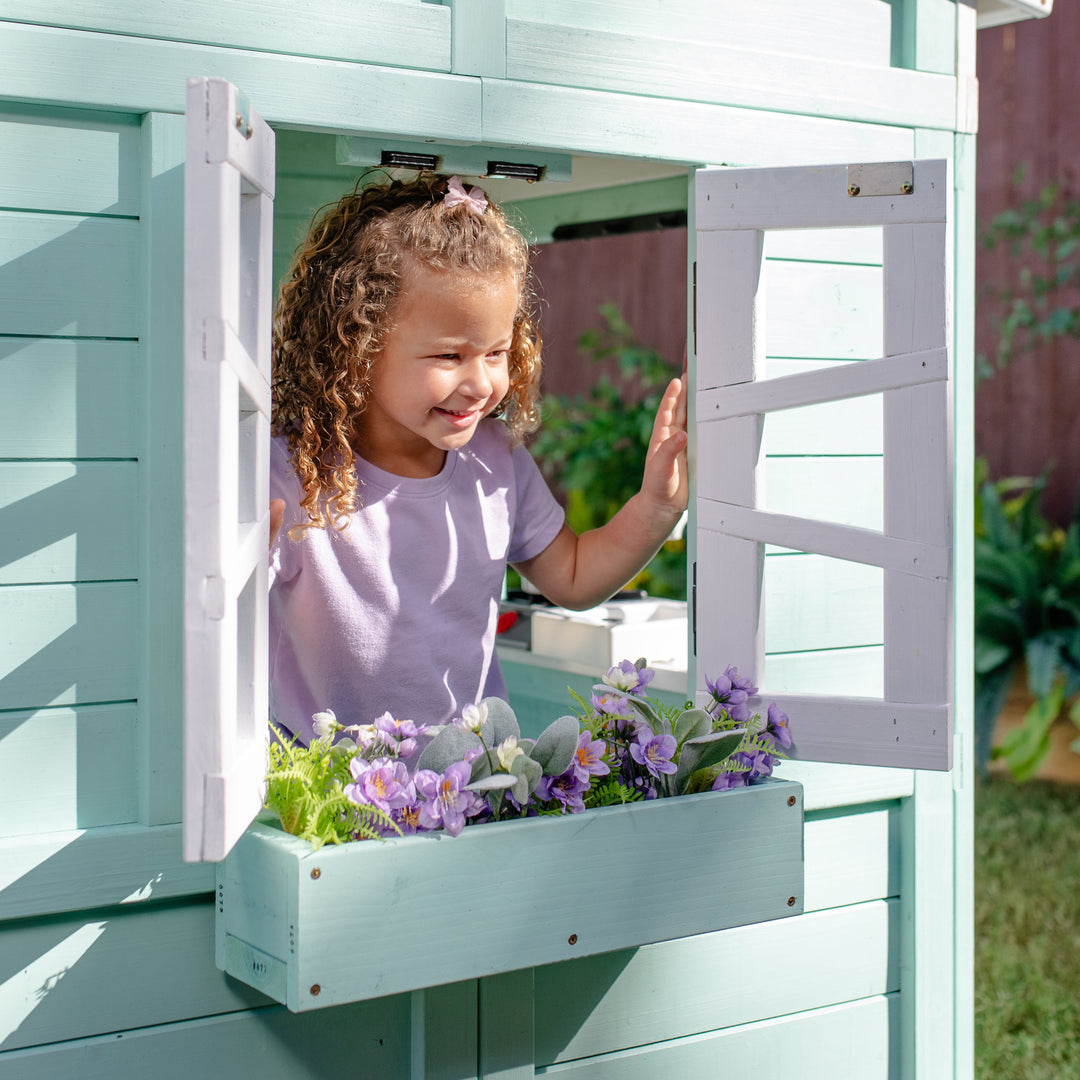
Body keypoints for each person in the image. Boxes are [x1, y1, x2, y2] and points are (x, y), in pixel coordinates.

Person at [268, 173, 687, 745]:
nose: (482, 381)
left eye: (496, 352)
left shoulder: (496, 461)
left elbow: (572, 577)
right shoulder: (291, 473)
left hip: (469, 797)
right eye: (449, 355)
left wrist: (657, 507)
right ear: (357, 348)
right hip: (331, 809)